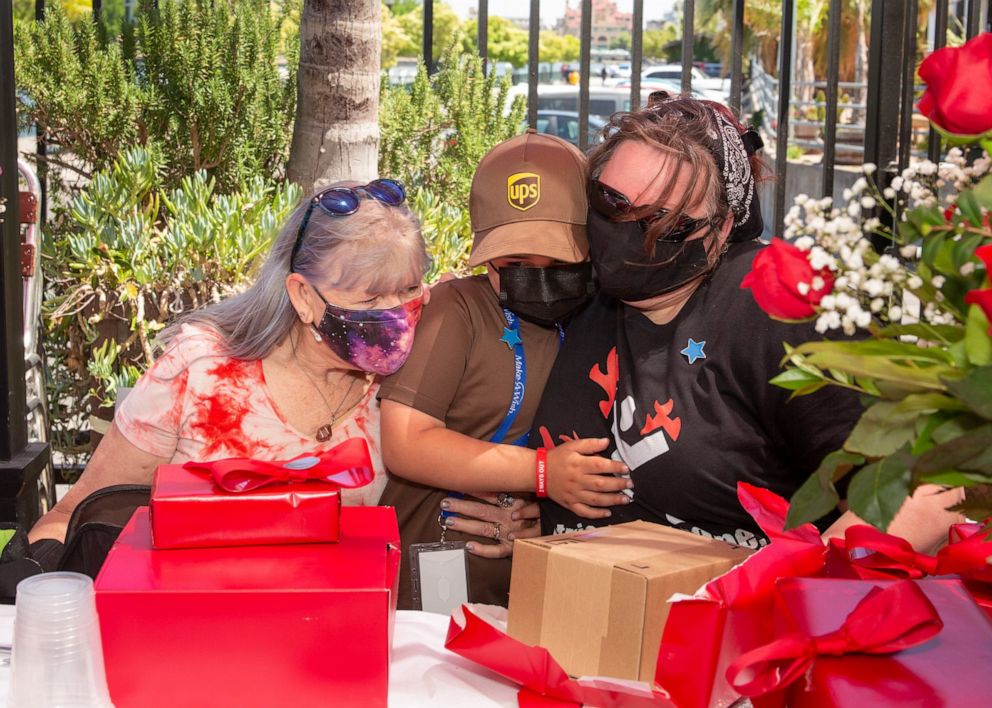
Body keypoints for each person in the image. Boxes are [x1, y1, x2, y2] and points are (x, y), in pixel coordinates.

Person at [528, 93, 964, 553]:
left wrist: (776, 590)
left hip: (719, 616)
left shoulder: (773, 307)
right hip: (566, 605)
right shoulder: (582, 286)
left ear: (720, 229)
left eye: (664, 221)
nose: (629, 231)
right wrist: (518, 508)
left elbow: (926, 490)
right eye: (612, 201)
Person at [29, 179, 431, 545]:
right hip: (198, 615)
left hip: (346, 615)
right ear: (303, 297)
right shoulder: (198, 371)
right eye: (370, 300)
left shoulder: (417, 375)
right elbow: (72, 519)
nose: (395, 315)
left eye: (409, 289)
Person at [379, 131, 630, 608]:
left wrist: (548, 509)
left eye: (558, 258)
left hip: (541, 581)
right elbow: (406, 440)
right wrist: (541, 474)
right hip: (436, 572)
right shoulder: (458, 310)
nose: (536, 274)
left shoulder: (606, 317)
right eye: (513, 261)